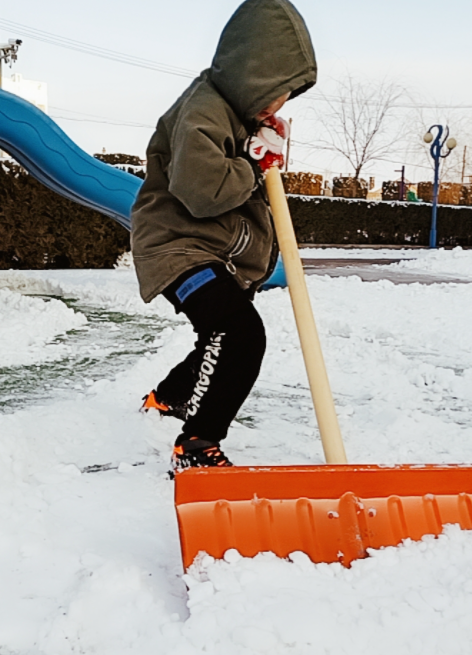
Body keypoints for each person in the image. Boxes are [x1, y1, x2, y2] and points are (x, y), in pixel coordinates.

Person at [131, 0, 317, 469]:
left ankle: (167, 399)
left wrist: (259, 152)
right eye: (276, 93)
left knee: (220, 335)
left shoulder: (236, 115)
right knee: (238, 335)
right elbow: (203, 191)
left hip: (213, 252)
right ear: (251, 74)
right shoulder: (203, 113)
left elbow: (248, 181)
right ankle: (196, 445)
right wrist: (254, 162)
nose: (279, 106)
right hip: (178, 247)